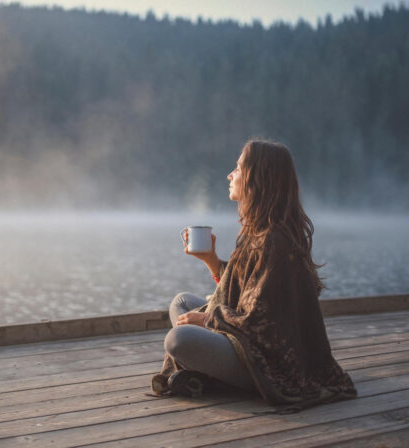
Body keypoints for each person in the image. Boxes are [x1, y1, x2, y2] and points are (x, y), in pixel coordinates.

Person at [151, 139, 357, 413]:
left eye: (237, 168)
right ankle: (208, 369)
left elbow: (262, 322)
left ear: (257, 178)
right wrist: (211, 260)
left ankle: (222, 376)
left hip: (271, 362)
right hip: (248, 339)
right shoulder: (258, 230)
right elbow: (245, 291)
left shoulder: (275, 240)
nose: (230, 175)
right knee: (182, 302)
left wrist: (208, 319)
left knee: (179, 340)